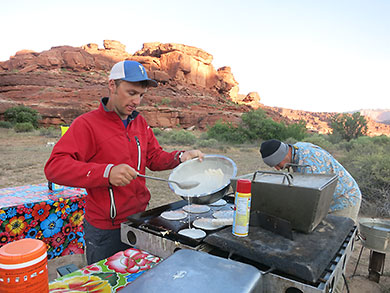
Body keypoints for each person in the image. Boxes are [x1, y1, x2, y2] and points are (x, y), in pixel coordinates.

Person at [45, 60, 204, 264]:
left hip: (140, 220)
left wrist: (181, 156)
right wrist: (106, 173)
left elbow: (153, 158)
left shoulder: (140, 122)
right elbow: (54, 167)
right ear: (112, 85)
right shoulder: (87, 124)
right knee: (106, 284)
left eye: (141, 95)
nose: (137, 101)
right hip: (106, 229)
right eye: (131, 93)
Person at [259, 139, 361, 223]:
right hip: (329, 201)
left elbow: (316, 200)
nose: (277, 168)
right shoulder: (296, 150)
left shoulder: (310, 164)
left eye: (277, 164)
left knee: (338, 238)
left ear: (282, 155)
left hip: (344, 199)